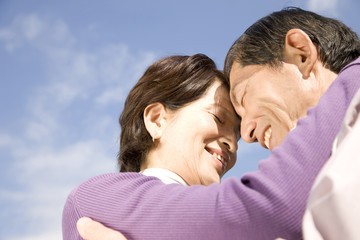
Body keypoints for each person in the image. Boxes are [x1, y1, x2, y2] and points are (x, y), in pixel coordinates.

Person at [66, 7, 360, 240]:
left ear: (302, 54)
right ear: (156, 119)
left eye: (237, 124)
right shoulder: (93, 201)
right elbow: (261, 208)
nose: (239, 139)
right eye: (219, 117)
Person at [63, 53, 241, 239]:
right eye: (218, 118)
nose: (233, 145)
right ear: (157, 120)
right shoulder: (93, 197)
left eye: (238, 136)